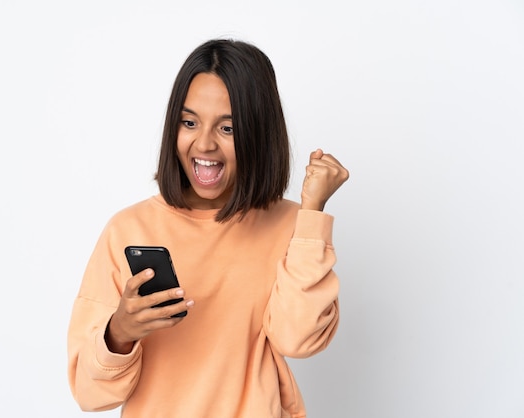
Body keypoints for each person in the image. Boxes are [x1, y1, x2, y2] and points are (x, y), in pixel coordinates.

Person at [67, 38, 349, 418]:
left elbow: (298, 339)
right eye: (189, 122)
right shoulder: (128, 229)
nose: (204, 144)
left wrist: (313, 212)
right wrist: (119, 332)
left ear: (259, 134)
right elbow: (89, 395)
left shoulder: (292, 226)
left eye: (228, 128)